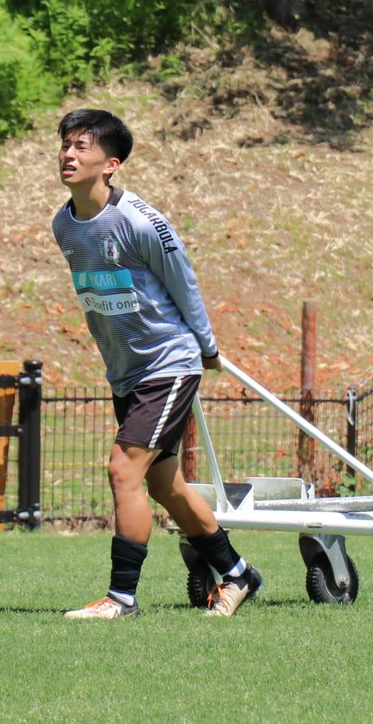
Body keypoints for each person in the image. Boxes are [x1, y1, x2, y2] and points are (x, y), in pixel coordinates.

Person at [51, 108, 261, 619]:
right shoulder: (64, 224)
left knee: (123, 469)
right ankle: (237, 574)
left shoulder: (142, 222)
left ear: (111, 163)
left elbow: (182, 282)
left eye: (82, 147)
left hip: (169, 362)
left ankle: (121, 598)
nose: (68, 155)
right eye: (65, 145)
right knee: (166, 484)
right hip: (127, 370)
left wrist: (207, 347)